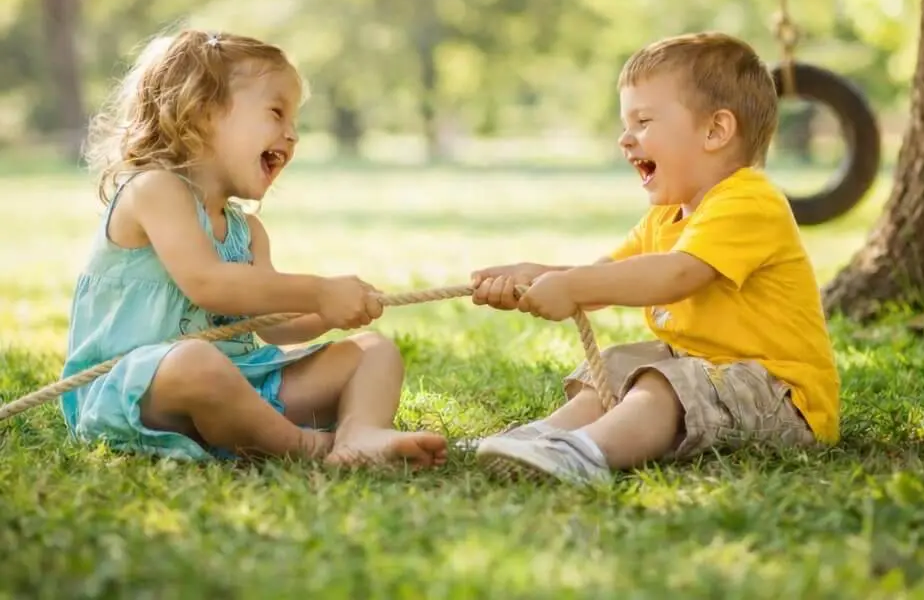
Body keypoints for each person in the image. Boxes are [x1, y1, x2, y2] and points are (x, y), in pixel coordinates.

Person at [61, 28, 447, 469]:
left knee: (373, 352)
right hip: (136, 391)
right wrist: (317, 291)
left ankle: (360, 434)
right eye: (276, 113)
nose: (292, 135)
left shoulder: (249, 232)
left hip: (241, 384)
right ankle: (306, 447)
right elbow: (210, 284)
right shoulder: (155, 190)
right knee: (196, 362)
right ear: (203, 112)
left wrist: (329, 312)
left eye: (294, 122)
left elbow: (271, 326)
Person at [470, 32, 840, 486]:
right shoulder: (665, 217)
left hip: (780, 398)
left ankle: (587, 453)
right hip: (710, 376)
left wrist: (573, 288)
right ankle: (540, 437)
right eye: (626, 124)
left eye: (643, 121)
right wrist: (537, 276)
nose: (626, 139)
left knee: (666, 383)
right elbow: (607, 275)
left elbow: (677, 274)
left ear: (715, 131)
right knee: (618, 366)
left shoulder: (750, 201)